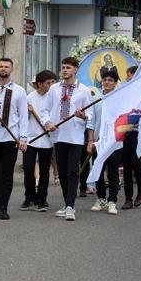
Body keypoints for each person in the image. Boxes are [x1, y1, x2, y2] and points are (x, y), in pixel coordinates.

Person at [0, 58, 29, 220]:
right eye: (1, 66)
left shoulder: (20, 91)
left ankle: (3, 206)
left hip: (10, 137)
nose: (3, 69)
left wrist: (23, 138)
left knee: (6, 174)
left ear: (12, 70)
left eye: (6, 67)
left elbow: (23, 116)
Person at [48, 57, 93, 221]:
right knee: (63, 172)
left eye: (68, 67)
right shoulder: (53, 89)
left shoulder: (84, 91)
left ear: (75, 69)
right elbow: (46, 110)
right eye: (63, 67)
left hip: (74, 136)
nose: (65, 70)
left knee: (73, 170)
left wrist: (83, 115)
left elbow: (91, 115)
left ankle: (70, 206)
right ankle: (67, 202)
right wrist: (48, 122)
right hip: (58, 135)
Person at [22, 70, 57, 212]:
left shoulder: (54, 97)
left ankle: (42, 199)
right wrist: (27, 111)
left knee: (44, 170)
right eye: (48, 83)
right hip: (31, 138)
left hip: (47, 140)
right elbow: (23, 119)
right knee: (28, 169)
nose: (51, 85)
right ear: (40, 84)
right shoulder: (29, 97)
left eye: (53, 82)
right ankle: (29, 196)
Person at [88, 70, 120, 215]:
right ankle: (101, 198)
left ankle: (112, 201)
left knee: (113, 172)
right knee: (98, 171)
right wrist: (90, 141)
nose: (106, 82)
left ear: (115, 83)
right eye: (105, 80)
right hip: (99, 141)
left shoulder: (121, 99)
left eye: (110, 80)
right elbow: (91, 121)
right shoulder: (96, 99)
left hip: (113, 142)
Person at [121, 65, 141, 209]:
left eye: (130, 75)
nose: (128, 78)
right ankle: (128, 198)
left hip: (140, 133)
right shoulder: (125, 90)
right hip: (126, 132)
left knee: (137, 164)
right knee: (126, 167)